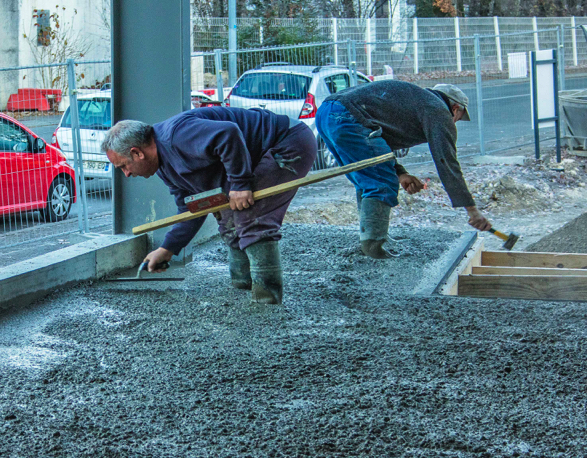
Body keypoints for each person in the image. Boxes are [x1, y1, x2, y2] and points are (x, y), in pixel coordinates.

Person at [101, 106, 317, 304]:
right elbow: (192, 208)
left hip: (288, 141)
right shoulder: (164, 167)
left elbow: (228, 133)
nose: (127, 174)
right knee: (227, 217)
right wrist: (168, 249)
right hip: (260, 154)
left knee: (251, 216)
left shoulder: (178, 136)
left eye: (124, 166)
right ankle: (244, 285)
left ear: (137, 153)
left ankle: (267, 301)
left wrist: (240, 184)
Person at [314, 81, 492, 259]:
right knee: (380, 183)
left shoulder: (414, 101)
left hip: (326, 114)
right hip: (347, 116)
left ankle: (371, 239)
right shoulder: (438, 110)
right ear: (454, 108)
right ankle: (373, 246)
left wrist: (400, 173)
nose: (454, 122)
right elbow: (446, 162)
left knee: (368, 179)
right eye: (458, 118)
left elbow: (378, 141)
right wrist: (472, 210)